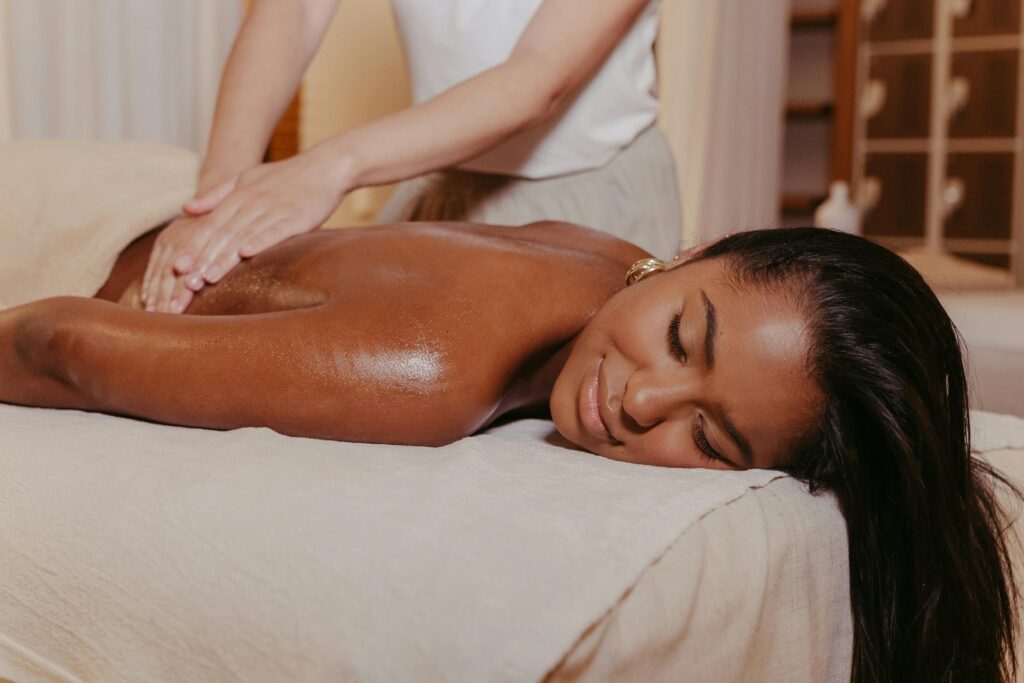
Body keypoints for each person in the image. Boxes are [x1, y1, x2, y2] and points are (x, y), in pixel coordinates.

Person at [0, 220, 1018, 680]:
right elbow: (66, 344)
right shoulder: (432, 372)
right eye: (680, 335)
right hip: (76, 236)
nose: (640, 398)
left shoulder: (618, 258)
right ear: (699, 250)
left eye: (707, 435)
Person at [141, 0, 681, 315]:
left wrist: (325, 168)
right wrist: (219, 197)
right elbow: (292, 12)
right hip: (436, 190)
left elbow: (538, 80)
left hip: (590, 206)